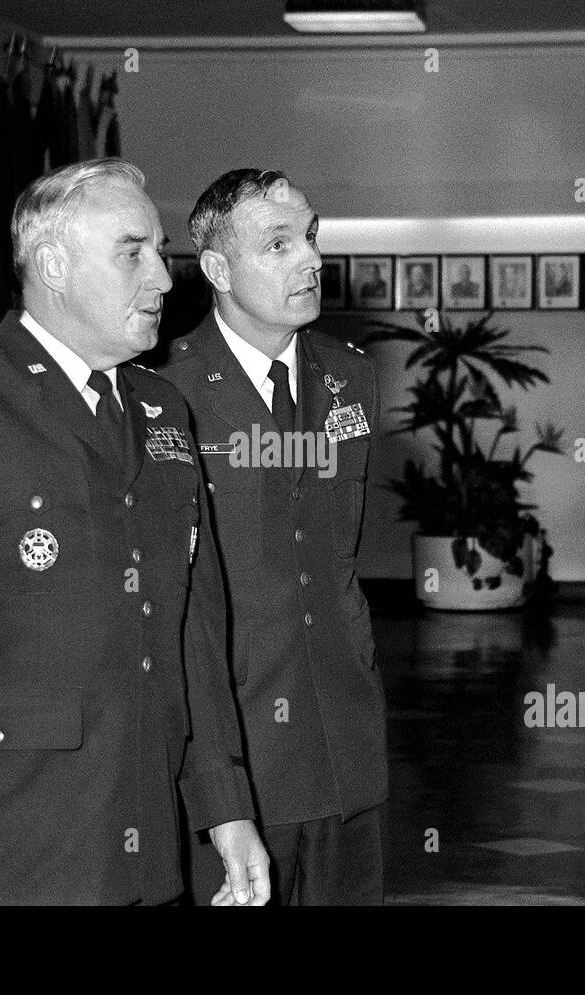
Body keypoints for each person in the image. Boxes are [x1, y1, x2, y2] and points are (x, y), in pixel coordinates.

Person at [0, 158, 269, 905]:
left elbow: (191, 629)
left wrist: (226, 803)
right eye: (132, 251)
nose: (164, 279)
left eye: (159, 252)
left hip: (143, 828)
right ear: (53, 264)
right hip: (4, 840)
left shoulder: (163, 409)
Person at [158, 168, 388, 905]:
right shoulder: (164, 390)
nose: (311, 259)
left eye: (312, 236)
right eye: (279, 243)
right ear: (218, 270)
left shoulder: (351, 376)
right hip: (233, 747)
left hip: (345, 739)